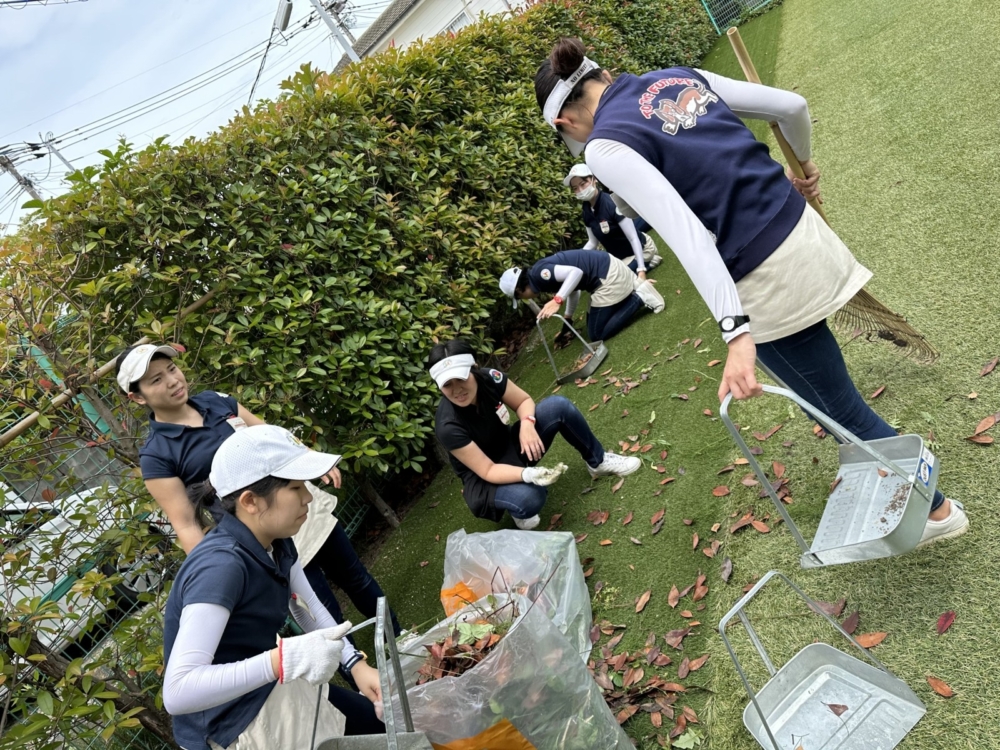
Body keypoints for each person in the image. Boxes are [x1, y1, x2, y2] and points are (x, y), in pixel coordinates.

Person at [531, 38, 967, 546]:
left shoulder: (603, 147)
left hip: (765, 275)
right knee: (819, 398)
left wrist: (735, 333)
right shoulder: (677, 74)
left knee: (835, 405)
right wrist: (801, 167)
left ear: (564, 124)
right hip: (804, 232)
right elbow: (792, 107)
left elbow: (688, 235)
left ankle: (938, 512)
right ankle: (885, 468)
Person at [115, 344, 402, 647]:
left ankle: (400, 638)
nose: (173, 381)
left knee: (356, 576)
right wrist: (216, 572)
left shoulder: (216, 402)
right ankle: (363, 680)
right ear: (137, 397)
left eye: (171, 369)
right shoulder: (156, 456)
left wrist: (310, 459)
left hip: (300, 506)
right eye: (156, 380)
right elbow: (185, 523)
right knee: (319, 615)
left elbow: (271, 437)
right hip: (263, 540)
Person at [162, 425, 384, 750]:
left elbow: (307, 607)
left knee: (374, 722)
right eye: (295, 488)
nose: (308, 497)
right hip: (232, 725)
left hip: (269, 684)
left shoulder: (276, 540)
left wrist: (355, 664)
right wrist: (281, 661)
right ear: (250, 501)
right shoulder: (221, 568)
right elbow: (179, 692)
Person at [428, 339, 641, 529]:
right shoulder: (447, 426)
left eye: (461, 379)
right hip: (485, 479)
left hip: (509, 445)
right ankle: (517, 507)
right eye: (447, 384)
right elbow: (487, 470)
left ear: (474, 368)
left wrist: (528, 425)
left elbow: (523, 401)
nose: (457, 390)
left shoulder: (489, 378)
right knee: (530, 498)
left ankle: (598, 461)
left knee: (558, 406)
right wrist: (527, 474)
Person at [499, 248, 664, 344]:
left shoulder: (541, 275)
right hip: (609, 269)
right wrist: (568, 319)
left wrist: (557, 300)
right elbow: (574, 288)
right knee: (593, 322)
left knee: (596, 334)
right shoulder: (538, 273)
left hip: (607, 277)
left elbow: (575, 273)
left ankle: (639, 297)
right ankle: (633, 289)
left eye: (521, 297)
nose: (527, 298)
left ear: (520, 290)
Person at [564, 162, 662, 277]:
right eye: (575, 188)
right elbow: (592, 242)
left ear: (594, 179)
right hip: (620, 259)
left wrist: (641, 270)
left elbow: (633, 238)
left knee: (617, 281)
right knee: (609, 280)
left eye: (583, 184)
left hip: (642, 249)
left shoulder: (611, 203)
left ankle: (650, 261)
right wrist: (576, 261)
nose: (580, 190)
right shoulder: (586, 210)